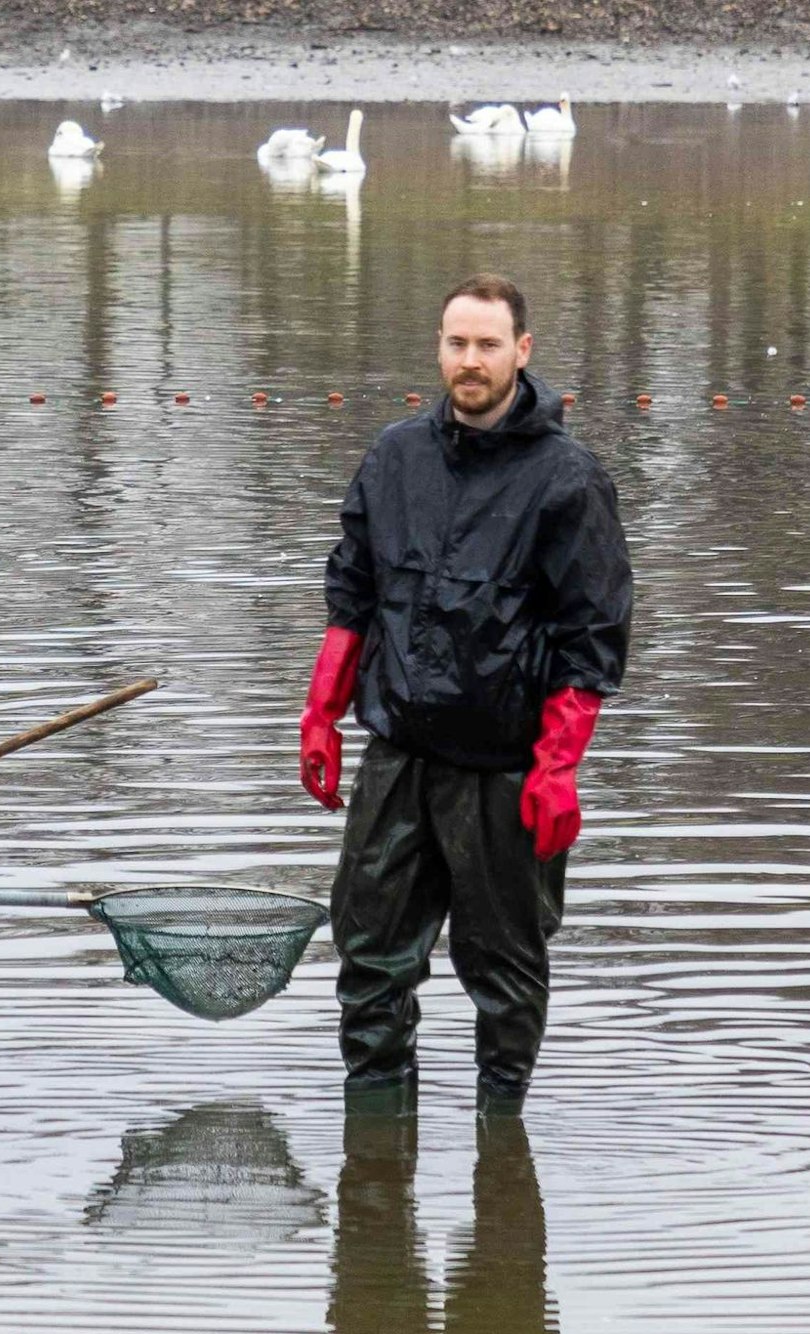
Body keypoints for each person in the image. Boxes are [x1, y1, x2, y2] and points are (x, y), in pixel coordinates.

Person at [298, 274, 633, 1109]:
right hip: (399, 756)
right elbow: (353, 590)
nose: (471, 360)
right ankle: (376, 1145)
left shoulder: (569, 480)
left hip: (506, 769)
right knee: (369, 960)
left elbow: (592, 636)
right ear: (439, 349)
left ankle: (502, 1133)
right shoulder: (395, 456)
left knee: (506, 970)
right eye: (458, 343)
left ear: (522, 350)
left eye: (488, 344)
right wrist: (322, 712)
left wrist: (558, 767)